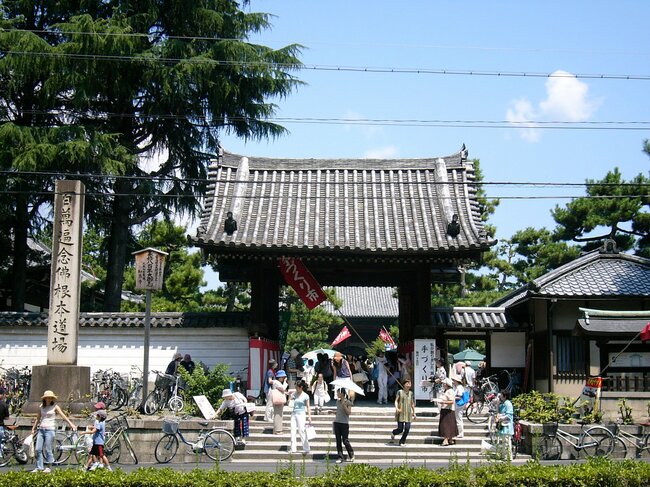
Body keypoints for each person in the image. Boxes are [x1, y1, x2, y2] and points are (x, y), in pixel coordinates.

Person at [31, 390, 77, 473]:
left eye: (50, 398)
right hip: (41, 429)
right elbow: (38, 418)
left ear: (52, 399)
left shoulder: (55, 406)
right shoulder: (41, 406)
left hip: (50, 429)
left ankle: (49, 467)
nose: (49, 399)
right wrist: (33, 428)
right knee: (38, 449)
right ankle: (39, 467)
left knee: (48, 448)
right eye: (47, 398)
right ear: (44, 399)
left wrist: (71, 424)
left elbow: (63, 416)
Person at [288, 379, 312, 455]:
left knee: (301, 430)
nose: (296, 389)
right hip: (294, 413)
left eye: (297, 387)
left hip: (301, 413)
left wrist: (309, 416)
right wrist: (290, 398)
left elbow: (308, 406)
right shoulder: (294, 394)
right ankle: (293, 448)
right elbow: (289, 402)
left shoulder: (305, 395)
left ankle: (306, 448)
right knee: (293, 431)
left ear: (301, 387)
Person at [390, 379, 416, 446]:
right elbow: (396, 401)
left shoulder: (411, 393)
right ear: (404, 384)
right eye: (407, 383)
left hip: (408, 413)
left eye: (409, 384)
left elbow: (412, 403)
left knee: (407, 428)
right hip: (401, 412)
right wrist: (397, 408)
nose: (408, 385)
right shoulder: (400, 392)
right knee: (400, 429)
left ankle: (402, 441)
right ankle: (393, 432)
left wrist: (414, 412)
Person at [333, 388, 355, 463]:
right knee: (338, 441)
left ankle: (351, 454)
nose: (337, 394)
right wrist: (332, 412)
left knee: (345, 440)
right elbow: (338, 411)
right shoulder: (337, 402)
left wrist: (344, 406)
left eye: (338, 393)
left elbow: (348, 412)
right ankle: (340, 457)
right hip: (337, 422)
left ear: (342, 394)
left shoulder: (347, 402)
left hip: (344, 423)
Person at [435, 378, 458, 446]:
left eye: (444, 383)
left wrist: (442, 401)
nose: (443, 385)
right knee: (450, 425)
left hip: (447, 410)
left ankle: (446, 440)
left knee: (446, 425)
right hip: (448, 410)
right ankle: (450, 439)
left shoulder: (449, 391)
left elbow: (451, 401)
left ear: (447, 384)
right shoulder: (448, 391)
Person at [496, 389, 514, 460]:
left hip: (507, 425)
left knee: (506, 441)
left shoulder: (507, 403)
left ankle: (508, 457)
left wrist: (501, 418)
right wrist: (497, 404)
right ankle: (504, 456)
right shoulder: (503, 403)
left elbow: (509, 414)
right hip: (503, 426)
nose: (500, 396)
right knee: (504, 441)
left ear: (505, 396)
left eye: (501, 395)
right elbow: (498, 412)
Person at [271, 369, 288, 435]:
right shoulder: (276, 382)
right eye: (283, 377)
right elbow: (283, 388)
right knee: (278, 415)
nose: (283, 379)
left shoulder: (276, 382)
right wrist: (285, 383)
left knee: (278, 414)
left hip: (278, 400)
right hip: (278, 400)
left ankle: (277, 429)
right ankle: (277, 430)